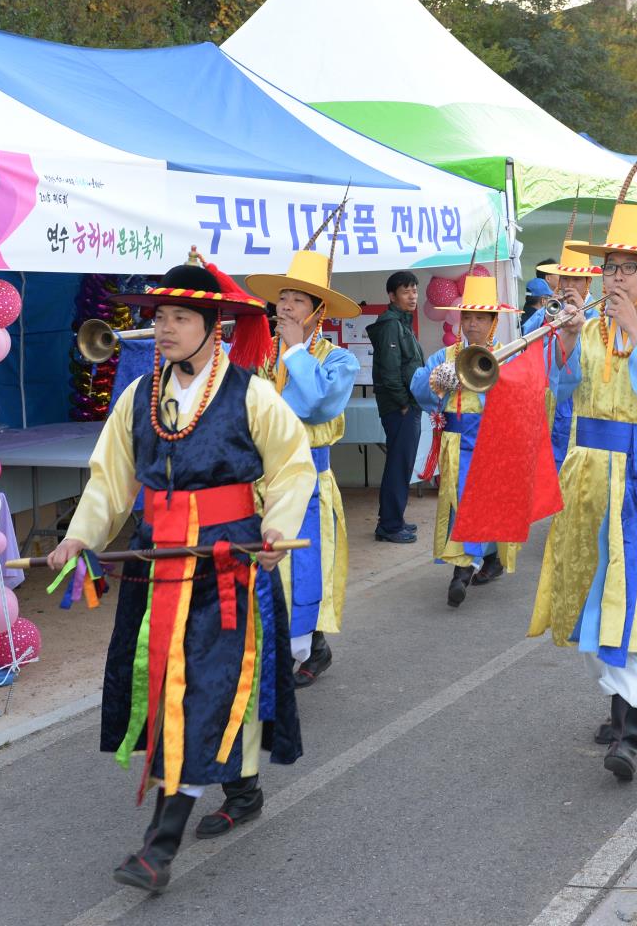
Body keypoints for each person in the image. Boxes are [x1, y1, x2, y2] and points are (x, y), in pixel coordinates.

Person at [46, 261, 315, 893]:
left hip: (227, 565)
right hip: (154, 565)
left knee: (203, 690)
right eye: (158, 316)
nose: (162, 328)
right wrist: (79, 536)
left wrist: (275, 529)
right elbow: (110, 479)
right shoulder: (139, 398)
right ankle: (242, 787)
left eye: (179, 317)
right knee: (174, 683)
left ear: (212, 327)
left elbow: (293, 467)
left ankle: (157, 849)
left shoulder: (252, 394)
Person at [528, 201, 637, 783]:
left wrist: (634, 329)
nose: (616, 278)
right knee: (597, 591)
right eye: (611, 268)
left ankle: (629, 733)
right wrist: (569, 341)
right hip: (591, 476)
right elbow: (563, 387)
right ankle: (618, 705)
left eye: (628, 268)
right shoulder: (589, 325)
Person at [243, 249, 360, 693]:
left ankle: (312, 643)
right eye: (283, 298)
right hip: (261, 479)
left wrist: (294, 351)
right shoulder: (258, 354)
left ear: (318, 312)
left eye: (297, 300)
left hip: (310, 479)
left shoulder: (338, 361)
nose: (286, 307)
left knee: (305, 568)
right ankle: (271, 652)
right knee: (265, 568)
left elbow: (315, 405)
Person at [411, 275, 523, 607]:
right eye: (468, 317)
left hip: (491, 442)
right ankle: (487, 557)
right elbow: (418, 390)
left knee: (475, 502)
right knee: (460, 500)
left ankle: (463, 568)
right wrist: (437, 380)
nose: (472, 325)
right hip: (454, 440)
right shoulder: (445, 355)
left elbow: (520, 400)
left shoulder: (508, 354)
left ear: (493, 322)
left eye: (480, 318)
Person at [530, 244, 601, 471]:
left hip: (585, 399)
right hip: (552, 396)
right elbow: (529, 341)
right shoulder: (549, 308)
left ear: (588, 282)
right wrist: (549, 315)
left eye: (576, 280)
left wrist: (585, 312)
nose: (570, 285)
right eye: (566, 279)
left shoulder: (601, 310)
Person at [369, 272, 424, 544]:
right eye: (406, 291)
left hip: (408, 404)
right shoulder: (391, 325)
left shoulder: (402, 323)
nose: (412, 296)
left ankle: (395, 519)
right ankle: (389, 525)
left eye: (414, 290)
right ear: (392, 296)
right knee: (398, 465)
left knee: (402, 465)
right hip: (400, 407)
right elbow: (390, 372)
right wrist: (403, 403)